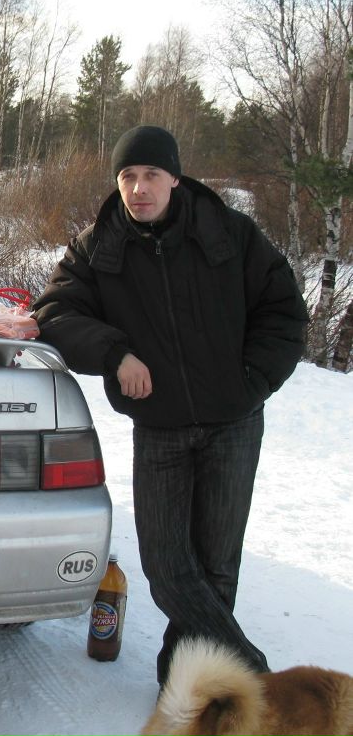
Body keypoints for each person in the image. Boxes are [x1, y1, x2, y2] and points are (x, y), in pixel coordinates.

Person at [31, 125, 308, 688]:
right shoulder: (98, 246)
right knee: (164, 567)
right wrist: (116, 354)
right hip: (159, 428)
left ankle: (187, 684)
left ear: (175, 178)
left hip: (233, 423)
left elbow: (284, 311)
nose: (138, 188)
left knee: (215, 564)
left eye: (151, 174)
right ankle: (258, 681)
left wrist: (251, 381)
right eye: (128, 176)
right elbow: (55, 312)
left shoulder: (228, 232)